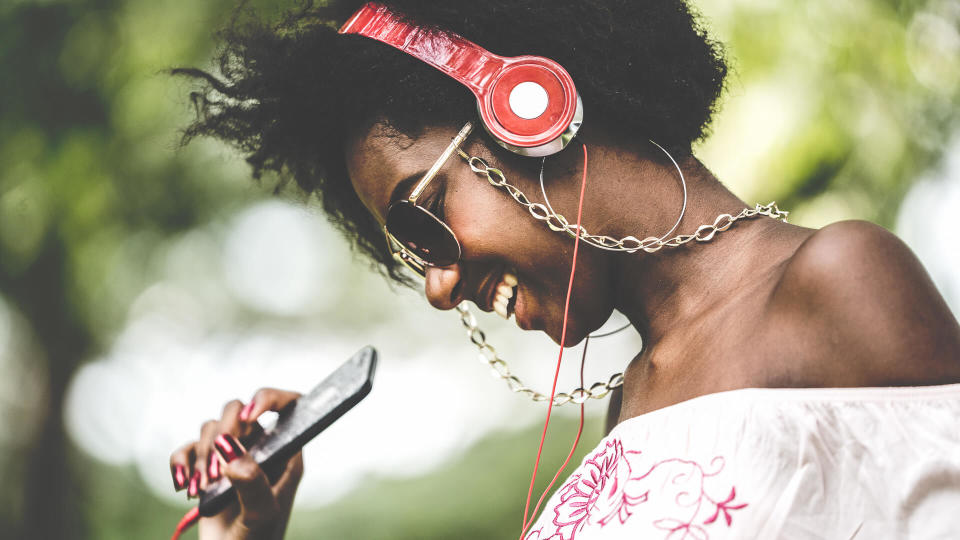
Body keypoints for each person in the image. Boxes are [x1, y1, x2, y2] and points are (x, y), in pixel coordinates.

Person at [168, 1, 960, 538]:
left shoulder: (840, 283)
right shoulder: (633, 400)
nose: (439, 288)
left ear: (526, 104)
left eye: (422, 217)